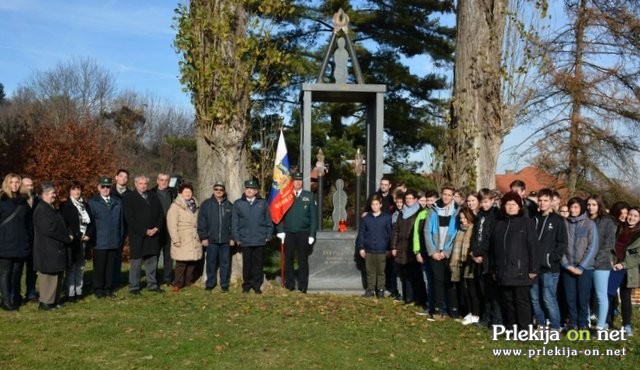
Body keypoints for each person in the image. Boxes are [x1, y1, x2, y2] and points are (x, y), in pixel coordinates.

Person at [490, 191, 539, 329]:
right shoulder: (499, 224)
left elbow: (533, 246)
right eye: (508, 204)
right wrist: (494, 268)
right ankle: (512, 328)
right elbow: (494, 249)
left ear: (519, 206)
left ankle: (524, 329)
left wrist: (533, 269)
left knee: (522, 301)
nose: (510, 207)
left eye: (514, 204)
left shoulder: (526, 223)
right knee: (507, 301)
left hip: (521, 271)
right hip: (503, 271)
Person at [530, 188, 567, 331]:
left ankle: (555, 325)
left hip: (549, 268)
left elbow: (562, 243)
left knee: (548, 298)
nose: (542, 203)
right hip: (533, 266)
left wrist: (551, 258)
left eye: (546, 200)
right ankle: (540, 323)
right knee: (534, 297)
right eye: (540, 200)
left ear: (552, 202)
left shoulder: (558, 221)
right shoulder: (534, 219)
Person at [33, 182, 73, 310]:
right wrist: (66, 238)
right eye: (52, 193)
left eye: (55, 193)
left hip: (56, 248)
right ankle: (45, 302)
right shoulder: (41, 210)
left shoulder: (51, 208)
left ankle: (54, 301)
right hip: (48, 249)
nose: (55, 195)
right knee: (48, 276)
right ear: (44, 195)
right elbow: (49, 230)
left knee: (56, 275)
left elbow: (62, 224)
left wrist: (69, 233)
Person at [276, 172, 318, 294]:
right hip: (288, 233)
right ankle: (289, 284)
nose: (298, 182)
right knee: (288, 259)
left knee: (302, 260)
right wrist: (280, 230)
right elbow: (279, 214)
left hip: (303, 233)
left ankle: (302, 286)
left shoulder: (309, 196)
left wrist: (312, 234)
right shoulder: (285, 196)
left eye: (300, 181)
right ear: (292, 182)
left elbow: (313, 218)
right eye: (296, 180)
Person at [421, 184, 459, 318]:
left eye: (449, 195)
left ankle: (453, 310)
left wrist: (446, 252)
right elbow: (427, 232)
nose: (446, 197)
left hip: (448, 252)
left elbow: (456, 235)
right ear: (441, 194)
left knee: (450, 281)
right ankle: (438, 309)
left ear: (453, 196)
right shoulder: (433, 210)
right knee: (437, 281)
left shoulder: (457, 211)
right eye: (444, 194)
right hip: (435, 252)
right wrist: (433, 251)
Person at [123, 175, 164, 295]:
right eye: (140, 183)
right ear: (135, 184)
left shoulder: (153, 196)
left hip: (153, 234)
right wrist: (144, 230)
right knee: (136, 262)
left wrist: (156, 228)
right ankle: (134, 286)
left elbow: (160, 214)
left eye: (145, 184)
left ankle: (152, 284)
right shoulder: (129, 197)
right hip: (138, 235)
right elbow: (129, 218)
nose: (143, 186)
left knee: (151, 261)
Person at [561, 197, 597, 330]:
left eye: (576, 207)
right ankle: (572, 323)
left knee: (583, 298)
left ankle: (583, 324)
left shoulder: (589, 224)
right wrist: (566, 265)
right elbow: (560, 246)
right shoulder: (564, 223)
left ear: (581, 208)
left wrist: (582, 266)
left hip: (585, 269)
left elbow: (592, 247)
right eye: (571, 207)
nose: (572, 210)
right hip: (568, 268)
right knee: (570, 298)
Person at [232, 180, 273, 294]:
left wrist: (268, 235)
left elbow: (268, 221)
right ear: (245, 190)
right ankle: (246, 285)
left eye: (252, 189)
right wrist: (237, 238)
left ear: (256, 191)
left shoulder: (263, 203)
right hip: (245, 239)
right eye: (247, 188)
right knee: (247, 265)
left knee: (258, 265)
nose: (249, 190)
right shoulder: (238, 204)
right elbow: (234, 223)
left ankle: (257, 286)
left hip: (260, 239)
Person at [468, 188, 502, 327]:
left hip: (489, 259)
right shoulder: (480, 215)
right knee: (483, 290)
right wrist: (473, 252)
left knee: (493, 291)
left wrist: (480, 253)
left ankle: (496, 320)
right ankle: (485, 317)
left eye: (487, 202)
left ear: (492, 200)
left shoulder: (496, 215)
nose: (484, 204)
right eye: (482, 202)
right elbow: (476, 235)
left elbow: (491, 238)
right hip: (478, 258)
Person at [88, 177, 124, 298]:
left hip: (114, 240)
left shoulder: (117, 201)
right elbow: (90, 224)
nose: (105, 189)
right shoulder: (93, 202)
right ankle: (98, 289)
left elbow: (121, 222)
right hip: (99, 241)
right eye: (103, 187)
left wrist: (120, 237)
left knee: (110, 267)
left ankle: (108, 288)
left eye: (108, 186)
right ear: (98, 187)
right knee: (99, 267)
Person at [0, 173, 31, 311]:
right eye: (11, 182)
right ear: (7, 183)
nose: (14, 185)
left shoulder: (24, 201)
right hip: (5, 242)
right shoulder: (2, 200)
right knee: (5, 273)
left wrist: (29, 240)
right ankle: (6, 301)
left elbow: (28, 223)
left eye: (17, 182)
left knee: (17, 273)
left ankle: (15, 297)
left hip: (21, 243)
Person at [586, 194, 616, 330]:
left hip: (601, 264)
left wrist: (595, 259)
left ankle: (601, 324)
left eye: (594, 204)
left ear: (599, 206)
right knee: (585, 295)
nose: (590, 207)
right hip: (584, 264)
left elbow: (609, 243)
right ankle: (585, 321)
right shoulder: (584, 219)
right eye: (588, 204)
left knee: (600, 295)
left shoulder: (607, 221)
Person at [198, 180, 234, 292]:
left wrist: (232, 237)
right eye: (216, 189)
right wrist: (203, 237)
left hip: (225, 240)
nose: (219, 191)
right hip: (211, 240)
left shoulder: (229, 205)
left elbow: (234, 223)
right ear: (213, 190)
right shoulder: (206, 204)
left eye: (221, 189)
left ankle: (224, 284)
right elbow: (201, 222)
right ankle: (210, 283)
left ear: (224, 191)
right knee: (211, 263)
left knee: (225, 263)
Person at [59, 181, 92, 302]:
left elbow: (91, 223)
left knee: (81, 268)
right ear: (69, 191)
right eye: (74, 189)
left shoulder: (85, 205)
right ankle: (71, 293)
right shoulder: (65, 205)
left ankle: (79, 292)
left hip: (84, 241)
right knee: (71, 268)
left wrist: (88, 235)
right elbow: (64, 224)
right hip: (73, 242)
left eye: (78, 189)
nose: (77, 192)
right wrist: (77, 235)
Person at [610, 207, 640, 336]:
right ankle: (608, 321)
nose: (631, 218)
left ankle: (626, 325)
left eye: (635, 216)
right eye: (630, 214)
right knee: (609, 295)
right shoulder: (619, 228)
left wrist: (623, 264)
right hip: (613, 266)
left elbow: (638, 256)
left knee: (625, 298)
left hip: (628, 270)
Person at [167, 183, 202, 292]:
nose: (188, 194)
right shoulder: (175, 206)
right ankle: (177, 283)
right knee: (181, 263)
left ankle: (188, 281)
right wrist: (175, 239)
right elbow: (171, 224)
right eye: (185, 192)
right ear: (181, 193)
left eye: (190, 192)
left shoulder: (195, 205)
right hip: (182, 236)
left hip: (194, 236)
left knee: (192, 261)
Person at [357, 195, 392, 298]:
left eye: (377, 204)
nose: (375, 206)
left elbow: (390, 234)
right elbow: (361, 233)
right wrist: (361, 247)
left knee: (381, 271)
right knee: (370, 271)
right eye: (373, 204)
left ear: (380, 205)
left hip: (382, 249)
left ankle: (380, 289)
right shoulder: (366, 218)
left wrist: (389, 248)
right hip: (369, 249)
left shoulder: (386, 218)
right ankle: (370, 289)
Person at [391, 190, 421, 304]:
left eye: (410, 198)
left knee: (412, 274)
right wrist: (393, 246)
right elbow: (396, 231)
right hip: (401, 247)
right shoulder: (401, 213)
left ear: (415, 200)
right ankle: (406, 296)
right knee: (403, 273)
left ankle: (412, 297)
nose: (408, 200)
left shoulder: (419, 212)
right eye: (406, 198)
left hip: (412, 248)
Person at [150, 173, 177, 286]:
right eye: (161, 180)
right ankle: (153, 278)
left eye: (166, 180)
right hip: (156, 227)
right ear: (157, 181)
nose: (164, 182)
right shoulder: (151, 193)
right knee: (155, 253)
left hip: (169, 226)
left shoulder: (173, 192)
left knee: (168, 254)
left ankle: (167, 278)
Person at [450, 206, 474, 321]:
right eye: (461, 218)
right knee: (460, 288)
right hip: (459, 261)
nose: (462, 220)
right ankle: (463, 310)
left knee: (469, 289)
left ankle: (471, 312)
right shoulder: (460, 230)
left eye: (464, 218)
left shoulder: (472, 228)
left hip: (468, 261)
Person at [110, 169, 132, 287]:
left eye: (126, 177)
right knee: (108, 255)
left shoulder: (130, 194)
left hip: (123, 228)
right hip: (110, 228)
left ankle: (115, 280)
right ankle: (105, 279)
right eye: (121, 176)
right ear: (116, 177)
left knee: (118, 254)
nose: (123, 179)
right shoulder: (109, 191)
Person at [19, 175, 38, 302]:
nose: (30, 187)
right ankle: (15, 293)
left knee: (32, 269)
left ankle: (31, 292)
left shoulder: (37, 200)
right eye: (27, 185)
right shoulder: (17, 200)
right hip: (21, 240)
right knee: (18, 269)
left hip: (34, 240)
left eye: (31, 185)